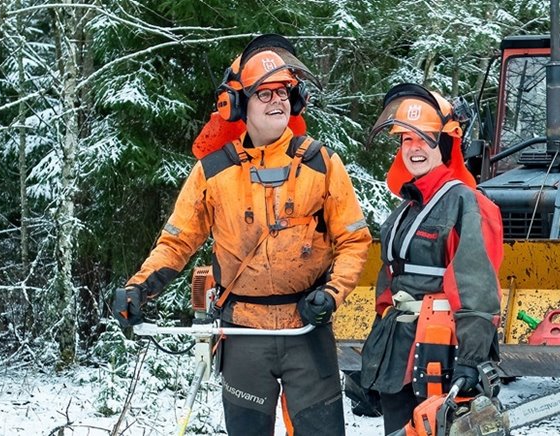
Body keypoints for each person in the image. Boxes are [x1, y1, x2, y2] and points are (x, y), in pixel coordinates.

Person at [111, 34, 371, 436]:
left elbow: (354, 241)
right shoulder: (213, 173)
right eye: (264, 93)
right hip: (243, 332)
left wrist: (332, 293)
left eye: (283, 91)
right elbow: (177, 242)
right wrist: (138, 288)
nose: (277, 101)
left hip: (306, 329)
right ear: (238, 105)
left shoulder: (322, 164)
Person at [356, 84, 504, 433]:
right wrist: (372, 361)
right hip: (399, 360)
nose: (414, 148)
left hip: (442, 359)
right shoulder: (404, 210)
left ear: (447, 144)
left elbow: (477, 288)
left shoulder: (466, 204)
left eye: (425, 139)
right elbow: (387, 290)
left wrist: (471, 361)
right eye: (407, 140)